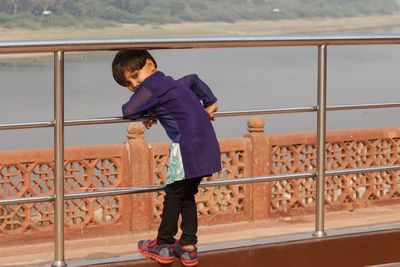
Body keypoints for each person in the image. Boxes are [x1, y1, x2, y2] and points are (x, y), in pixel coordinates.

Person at [112, 50, 221, 266]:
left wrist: (148, 106)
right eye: (128, 83)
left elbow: (128, 110)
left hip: (186, 149)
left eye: (135, 76)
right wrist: (210, 102)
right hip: (206, 145)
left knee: (173, 195)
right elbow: (192, 79)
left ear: (150, 65)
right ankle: (188, 246)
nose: (134, 85)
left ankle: (163, 244)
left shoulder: (152, 86)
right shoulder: (170, 84)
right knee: (187, 194)